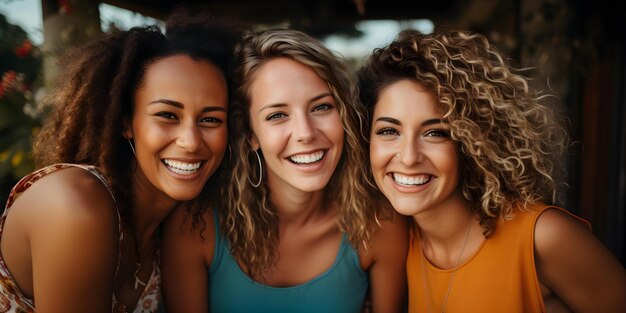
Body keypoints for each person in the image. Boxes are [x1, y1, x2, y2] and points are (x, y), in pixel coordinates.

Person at [358, 29, 626, 313]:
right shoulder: (396, 242)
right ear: (367, 140)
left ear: (473, 140)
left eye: (436, 133)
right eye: (389, 130)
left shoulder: (542, 237)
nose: (409, 157)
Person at [0, 9, 239, 312]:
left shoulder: (178, 227)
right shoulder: (75, 205)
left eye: (210, 119)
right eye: (167, 115)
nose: (191, 141)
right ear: (126, 122)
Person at [162, 28, 408, 313]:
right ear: (249, 133)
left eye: (322, 107)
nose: (305, 133)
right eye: (277, 115)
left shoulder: (378, 225)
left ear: (344, 115)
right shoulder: (196, 227)